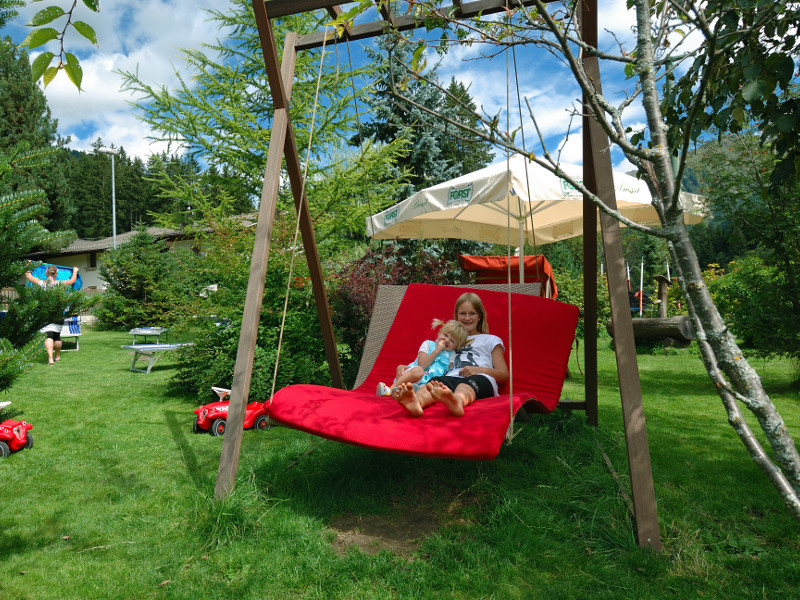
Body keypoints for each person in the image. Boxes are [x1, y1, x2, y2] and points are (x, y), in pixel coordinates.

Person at [395, 292, 509, 417]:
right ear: (456, 315)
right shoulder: (449, 341)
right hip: (451, 377)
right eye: (462, 313)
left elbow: (503, 374)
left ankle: (457, 402)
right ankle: (416, 402)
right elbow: (431, 362)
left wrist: (478, 370)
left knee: (465, 385)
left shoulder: (491, 340)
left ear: (480, 316)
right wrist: (406, 368)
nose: (467, 318)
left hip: (480, 378)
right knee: (434, 383)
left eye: (472, 313)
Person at [376, 318, 468, 397]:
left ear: (456, 347)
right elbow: (422, 365)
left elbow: (447, 373)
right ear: (440, 332)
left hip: (426, 383)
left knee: (431, 387)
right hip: (413, 376)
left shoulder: (452, 355)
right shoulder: (428, 344)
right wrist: (437, 350)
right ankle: (389, 389)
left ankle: (404, 393)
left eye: (452, 340)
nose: (446, 340)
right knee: (418, 371)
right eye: (445, 335)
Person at [24, 265, 79, 366]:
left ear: (46, 273)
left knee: (49, 335)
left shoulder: (41, 283)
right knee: (57, 336)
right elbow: (72, 281)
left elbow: (28, 276)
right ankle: (57, 356)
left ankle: (50, 359)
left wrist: (28, 266)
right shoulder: (60, 284)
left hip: (45, 313)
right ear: (56, 274)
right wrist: (75, 271)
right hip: (58, 313)